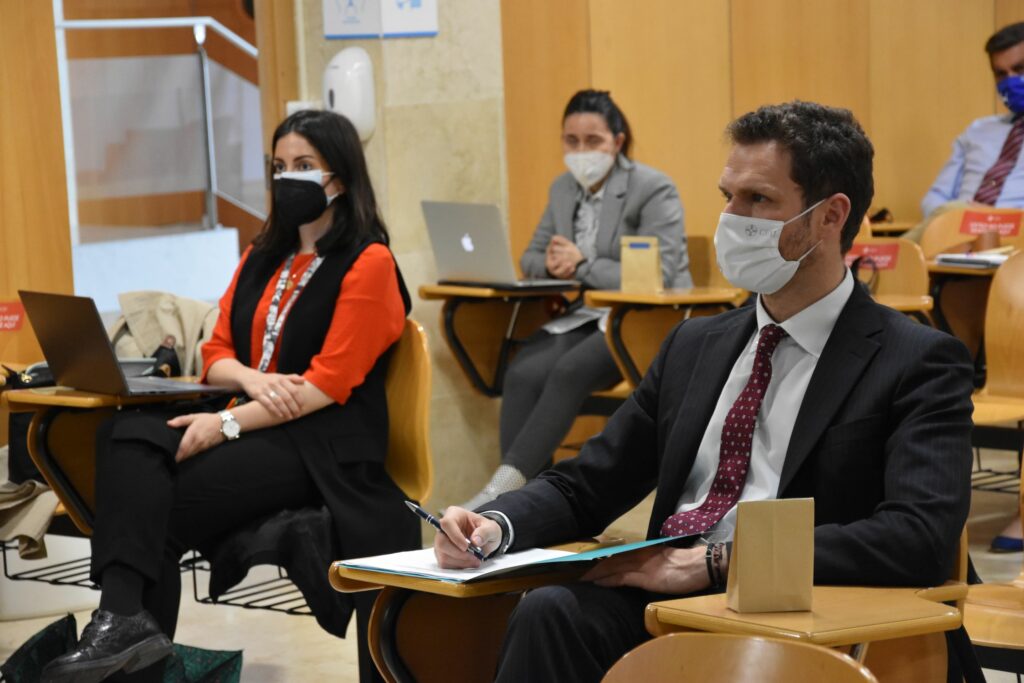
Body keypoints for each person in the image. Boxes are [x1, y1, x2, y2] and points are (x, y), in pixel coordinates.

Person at [436, 101, 975, 683]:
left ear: (831, 216)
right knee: (549, 613)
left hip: (803, 614)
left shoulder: (917, 360)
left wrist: (722, 562)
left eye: (758, 199)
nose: (732, 218)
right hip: (672, 598)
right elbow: (590, 483)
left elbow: (918, 536)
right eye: (727, 196)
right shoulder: (694, 345)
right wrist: (496, 525)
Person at [42, 110, 419, 683]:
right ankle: (122, 621)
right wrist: (251, 380)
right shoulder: (261, 255)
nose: (287, 178)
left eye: (304, 165)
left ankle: (122, 628)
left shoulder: (370, 262)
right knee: (122, 433)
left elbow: (327, 384)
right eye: (279, 166)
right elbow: (214, 350)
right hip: (253, 415)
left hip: (322, 444)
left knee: (152, 509)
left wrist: (225, 425)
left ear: (339, 179)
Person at [459, 89, 691, 510]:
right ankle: (525, 504)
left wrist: (582, 264)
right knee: (522, 372)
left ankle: (500, 494)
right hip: (586, 315)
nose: (581, 151)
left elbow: (661, 273)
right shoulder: (563, 189)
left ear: (617, 142)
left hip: (641, 318)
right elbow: (531, 257)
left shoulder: (652, 188)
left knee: (568, 371)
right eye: (571, 140)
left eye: (593, 140)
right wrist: (551, 264)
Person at [908, 22, 1024, 241]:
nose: (1010, 80)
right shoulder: (977, 130)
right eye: (1001, 74)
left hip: (1016, 238)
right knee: (953, 210)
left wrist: (992, 218)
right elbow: (936, 197)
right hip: (958, 235)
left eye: (1020, 69)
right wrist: (956, 220)